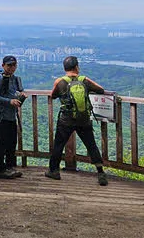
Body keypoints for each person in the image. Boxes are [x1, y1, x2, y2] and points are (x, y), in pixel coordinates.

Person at [45, 56, 109, 186]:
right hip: (83, 119)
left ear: (64, 68)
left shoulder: (60, 82)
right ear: (76, 67)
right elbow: (100, 89)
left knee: (58, 145)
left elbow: (53, 96)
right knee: (91, 145)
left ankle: (54, 171)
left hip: (66, 120)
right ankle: (101, 172)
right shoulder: (84, 80)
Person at [0, 56, 24, 179]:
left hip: (11, 116)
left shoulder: (15, 79)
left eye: (14, 65)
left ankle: (10, 167)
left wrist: (21, 96)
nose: (12, 67)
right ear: (3, 65)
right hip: (0, 116)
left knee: (12, 142)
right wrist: (9, 101)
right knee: (2, 143)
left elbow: (15, 92)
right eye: (9, 65)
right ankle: (0, 170)